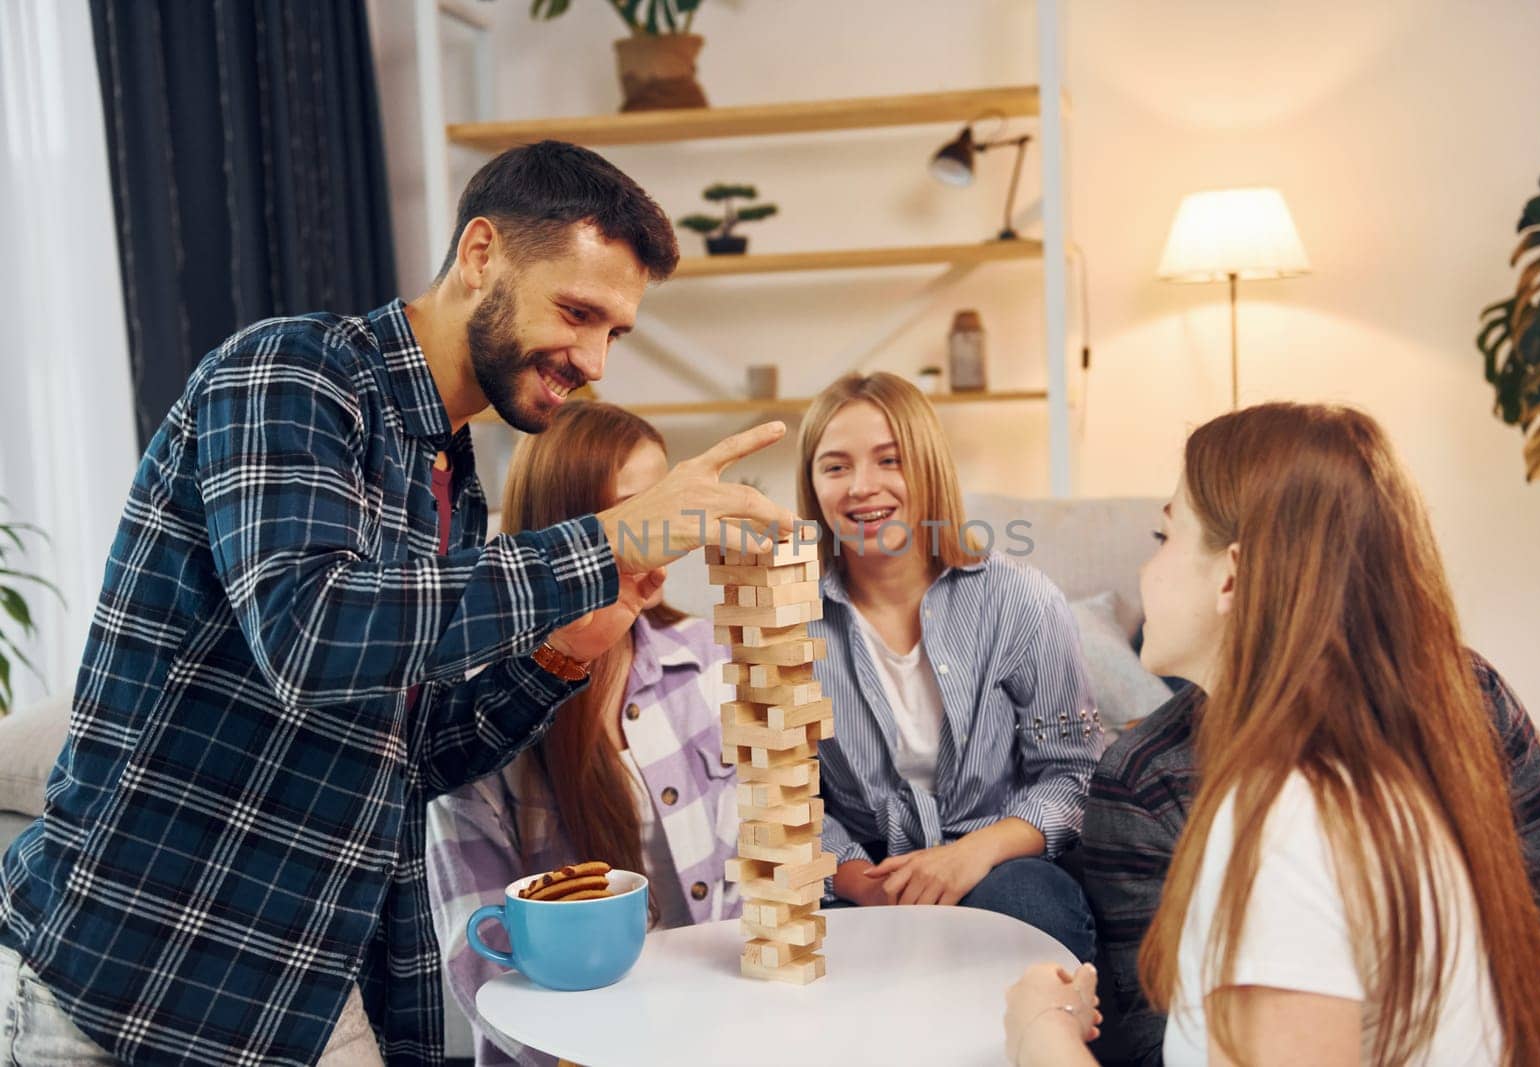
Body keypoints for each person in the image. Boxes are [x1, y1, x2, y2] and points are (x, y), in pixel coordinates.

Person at [0, 140, 793, 1065]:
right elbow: (310, 632)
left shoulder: (450, 479)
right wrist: (610, 537)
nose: (594, 361)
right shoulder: (291, 376)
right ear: (481, 253)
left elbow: (411, 759)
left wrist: (560, 656)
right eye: (578, 313)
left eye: (615, 331)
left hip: (305, 984)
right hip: (138, 971)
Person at [1006, 402, 1540, 1066]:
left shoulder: (1289, 824)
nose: (1144, 572)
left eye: (1165, 538)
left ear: (1232, 575)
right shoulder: (1375, 777)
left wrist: (1043, 1034)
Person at [427, 402, 741, 1066]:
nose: (663, 538)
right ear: (566, 535)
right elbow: (476, 950)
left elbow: (753, 880)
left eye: (670, 508)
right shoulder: (481, 716)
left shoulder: (708, 662)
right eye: (638, 515)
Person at [797, 372, 1101, 960]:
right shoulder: (789, 621)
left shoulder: (1020, 599)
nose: (862, 487)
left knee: (1030, 907)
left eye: (890, 460)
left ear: (929, 468)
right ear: (812, 485)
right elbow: (781, 794)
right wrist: (862, 882)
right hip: (859, 872)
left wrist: (972, 854)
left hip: (997, 858)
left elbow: (1074, 777)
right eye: (835, 467)